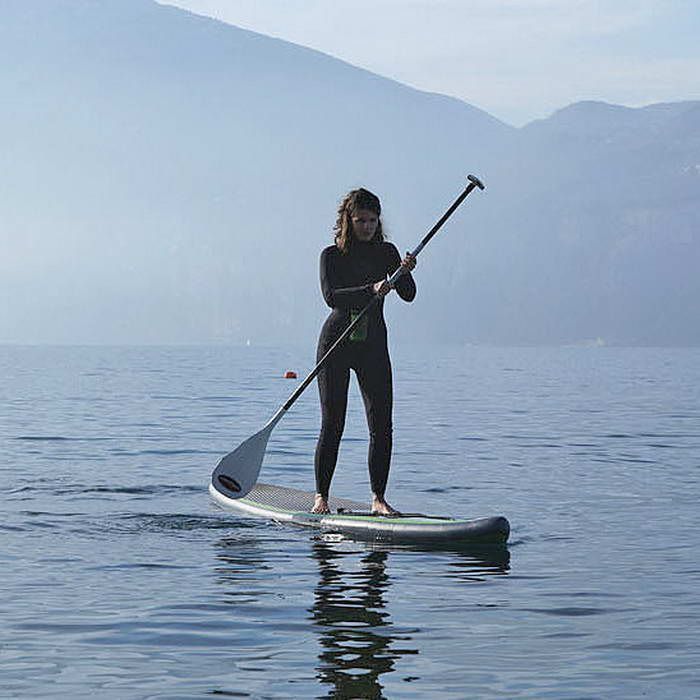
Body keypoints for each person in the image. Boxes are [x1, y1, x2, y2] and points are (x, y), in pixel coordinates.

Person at [313, 188, 416, 515]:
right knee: (333, 424)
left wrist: (404, 272)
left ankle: (378, 499)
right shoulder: (331, 255)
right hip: (336, 344)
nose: (367, 227)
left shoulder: (387, 253)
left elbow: (408, 295)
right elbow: (332, 297)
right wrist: (371, 289)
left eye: (372, 221)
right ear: (348, 220)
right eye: (361, 221)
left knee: (382, 425)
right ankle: (321, 498)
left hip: (373, 345)